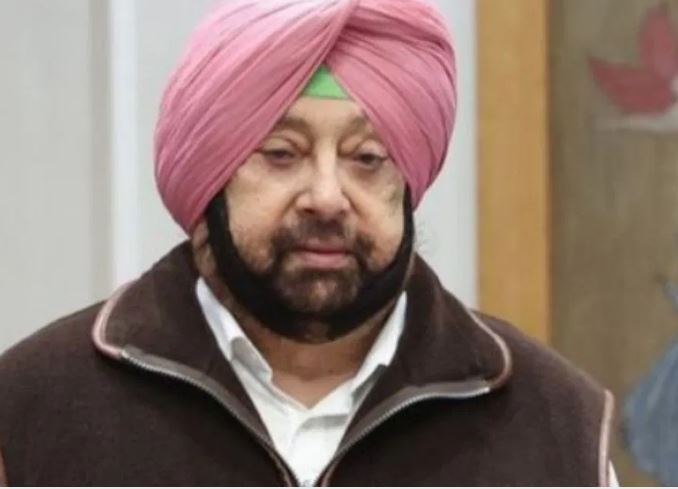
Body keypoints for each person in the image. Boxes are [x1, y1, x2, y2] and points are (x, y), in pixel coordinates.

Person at [0, 0, 616, 485]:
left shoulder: (556, 425)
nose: (327, 196)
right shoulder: (31, 409)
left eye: (367, 158)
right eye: (282, 153)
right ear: (210, 177)